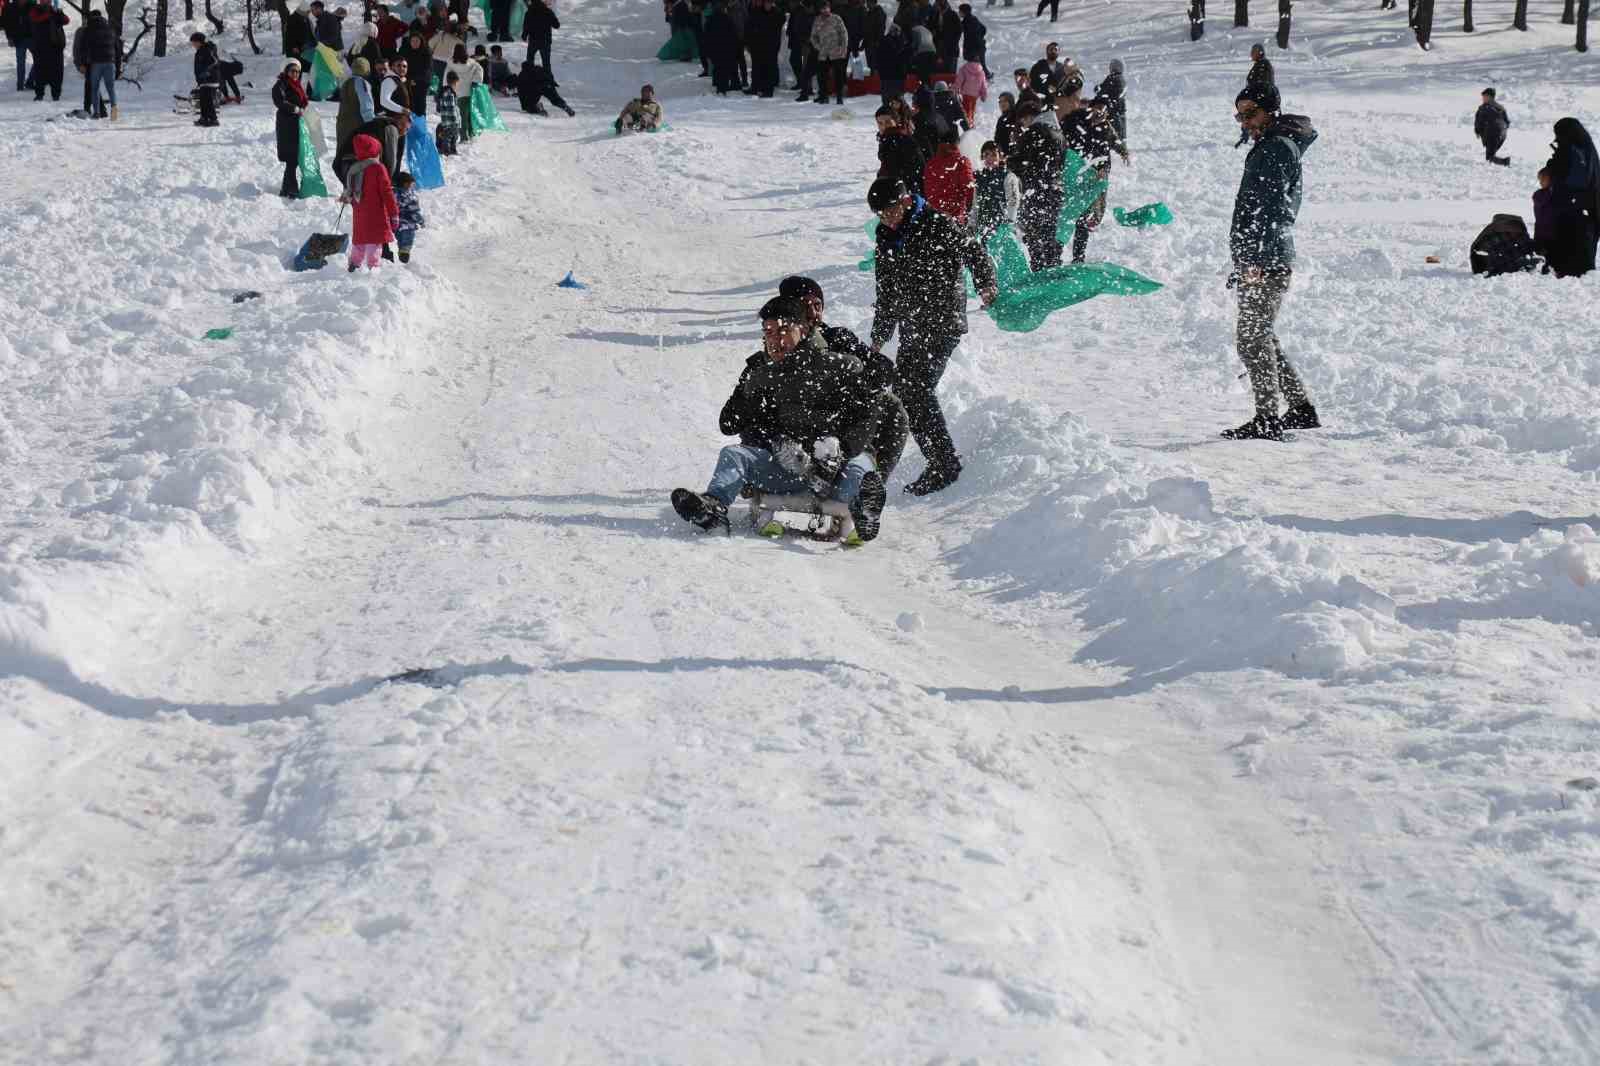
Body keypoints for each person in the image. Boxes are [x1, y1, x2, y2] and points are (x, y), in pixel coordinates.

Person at [671, 296, 889, 542]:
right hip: (791, 474)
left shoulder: (840, 366)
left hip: (840, 471)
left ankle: (864, 510)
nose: (775, 339)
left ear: (803, 329)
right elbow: (730, 424)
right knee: (733, 455)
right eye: (768, 332)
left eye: (783, 330)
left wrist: (843, 449)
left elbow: (867, 413)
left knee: (861, 468)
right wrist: (774, 436)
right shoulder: (763, 375)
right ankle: (712, 509)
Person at [867, 176, 998, 495]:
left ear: (906, 201)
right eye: (881, 214)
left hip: (943, 319)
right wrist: (879, 334)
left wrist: (985, 284)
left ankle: (944, 464)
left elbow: (974, 250)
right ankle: (936, 460)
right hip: (914, 322)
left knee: (916, 389)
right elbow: (886, 289)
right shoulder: (886, 236)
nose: (887, 219)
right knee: (904, 391)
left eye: (890, 211)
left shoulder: (937, 223)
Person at [1226, 82, 1320, 441]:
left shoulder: (1276, 148)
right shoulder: (1270, 146)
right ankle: (1300, 409)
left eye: (1251, 113)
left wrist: (1255, 257)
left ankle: (1267, 418)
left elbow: (1273, 208)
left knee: (1251, 338)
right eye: (1240, 115)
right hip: (1261, 255)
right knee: (1261, 334)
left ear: (1271, 110)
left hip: (1266, 257)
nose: (1246, 122)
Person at [779, 274, 911, 482]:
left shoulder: (837, 338)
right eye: (805, 305)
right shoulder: (777, 342)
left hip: (838, 419)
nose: (814, 313)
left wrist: (852, 378)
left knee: (891, 406)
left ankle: (873, 486)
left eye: (818, 305)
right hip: (798, 423)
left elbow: (883, 369)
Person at [1057, 77, 1128, 262]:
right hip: (1073, 175)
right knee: (1066, 213)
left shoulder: (1105, 127)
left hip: (1092, 177)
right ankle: (1054, 252)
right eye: (1097, 109)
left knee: (1087, 216)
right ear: (1091, 108)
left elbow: (1111, 144)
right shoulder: (1075, 120)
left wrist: (1122, 153)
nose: (1100, 113)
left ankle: (1078, 257)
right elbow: (1060, 137)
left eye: (1104, 111)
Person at [1005, 98, 1063, 269]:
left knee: (1033, 236)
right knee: (1049, 235)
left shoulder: (1035, 131)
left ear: (1030, 116)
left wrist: (1009, 162)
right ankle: (1053, 272)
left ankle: (1039, 273)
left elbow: (1020, 161)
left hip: (1036, 191)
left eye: (1023, 120)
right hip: (1055, 190)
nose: (1023, 125)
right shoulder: (1059, 132)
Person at [1541, 117, 1599, 278]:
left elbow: (1572, 180)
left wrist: (1552, 168)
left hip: (1572, 211)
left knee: (1568, 261)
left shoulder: (1572, 150)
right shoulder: (1587, 148)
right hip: (1587, 211)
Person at [341, 134, 399, 271]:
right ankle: (374, 269)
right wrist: (394, 213)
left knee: (360, 242)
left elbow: (350, 190)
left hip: (359, 214)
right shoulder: (378, 168)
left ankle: (354, 265)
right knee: (374, 243)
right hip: (376, 214)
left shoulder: (354, 169)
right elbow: (387, 193)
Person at [922, 127, 974, 224]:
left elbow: (927, 191)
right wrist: (967, 214)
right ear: (957, 143)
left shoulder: (930, 164)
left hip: (935, 217)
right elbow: (970, 188)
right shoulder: (961, 162)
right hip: (956, 218)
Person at [971, 139, 1020, 242]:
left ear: (1000, 157)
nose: (990, 158)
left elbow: (1013, 202)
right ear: (982, 157)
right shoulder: (978, 177)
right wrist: (972, 223)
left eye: (993, 155)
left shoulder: (1008, 176)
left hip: (1001, 228)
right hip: (983, 228)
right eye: (986, 155)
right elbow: (975, 203)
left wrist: (1009, 223)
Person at [273, 60, 308, 197]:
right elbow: (279, 101)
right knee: (291, 157)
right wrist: (294, 108)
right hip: (286, 124)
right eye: (293, 71)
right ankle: (292, 188)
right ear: (286, 71)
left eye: (298, 72)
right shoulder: (281, 84)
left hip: (296, 123)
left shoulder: (297, 85)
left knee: (293, 158)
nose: (295, 74)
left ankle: (285, 188)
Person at [876, 103, 926, 193]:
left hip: (904, 193)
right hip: (893, 190)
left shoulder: (904, 140)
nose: (884, 126)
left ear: (896, 121)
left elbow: (917, 171)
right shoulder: (885, 139)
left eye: (888, 122)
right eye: (880, 123)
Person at [808, 0, 848, 105]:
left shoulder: (836, 18)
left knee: (838, 76)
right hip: (823, 54)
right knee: (822, 76)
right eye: (822, 8)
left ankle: (839, 96)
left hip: (836, 53)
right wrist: (818, 47)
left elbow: (844, 34)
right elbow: (813, 36)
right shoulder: (817, 20)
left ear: (829, 8)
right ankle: (823, 96)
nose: (824, 10)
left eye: (826, 8)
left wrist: (843, 48)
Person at [79, 9, 116, 119]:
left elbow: (83, 47)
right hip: (110, 62)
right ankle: (114, 111)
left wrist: (82, 63)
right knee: (111, 88)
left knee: (95, 88)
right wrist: (118, 66)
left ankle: (97, 113)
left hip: (96, 63)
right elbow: (117, 48)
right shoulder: (110, 29)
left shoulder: (88, 30)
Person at [27, 2, 66, 103]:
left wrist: (59, 14)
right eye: (44, 0)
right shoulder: (35, 10)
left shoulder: (54, 11)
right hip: (40, 47)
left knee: (57, 73)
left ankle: (56, 94)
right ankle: (39, 94)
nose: (47, 2)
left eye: (48, 1)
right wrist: (48, 15)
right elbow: (35, 19)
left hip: (56, 47)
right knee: (40, 72)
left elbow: (66, 20)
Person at [745, 0, 783, 98]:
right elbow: (750, 26)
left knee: (769, 68)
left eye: (769, 3)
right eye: (766, 3)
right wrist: (749, 42)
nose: (767, 5)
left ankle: (768, 90)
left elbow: (780, 23)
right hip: (758, 45)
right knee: (757, 67)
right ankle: (755, 87)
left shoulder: (777, 13)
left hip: (771, 46)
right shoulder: (757, 12)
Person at [705, 0, 741, 94]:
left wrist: (708, 50)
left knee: (718, 68)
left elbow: (706, 36)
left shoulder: (710, 20)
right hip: (726, 48)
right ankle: (729, 85)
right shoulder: (727, 19)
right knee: (727, 67)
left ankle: (720, 86)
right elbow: (733, 34)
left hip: (715, 49)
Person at [447, 42, 481, 139]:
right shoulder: (472, 63)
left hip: (456, 90)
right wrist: (475, 81)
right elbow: (480, 71)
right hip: (468, 90)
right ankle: (471, 132)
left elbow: (446, 75)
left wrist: (446, 87)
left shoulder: (451, 63)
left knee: (460, 115)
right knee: (469, 113)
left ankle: (463, 135)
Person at [189, 31, 221, 125]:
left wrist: (206, 72)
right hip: (204, 80)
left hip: (210, 79)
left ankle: (213, 119)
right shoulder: (201, 50)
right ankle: (204, 118)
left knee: (207, 100)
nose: (193, 45)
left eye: (194, 42)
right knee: (203, 100)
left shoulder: (206, 50)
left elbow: (214, 61)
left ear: (199, 42)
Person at [1092, 58, 1125, 143]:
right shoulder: (1120, 78)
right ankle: (1121, 145)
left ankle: (1116, 145)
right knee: (1120, 131)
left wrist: (1099, 91)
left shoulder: (1113, 78)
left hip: (1112, 109)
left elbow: (1102, 90)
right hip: (1118, 109)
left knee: (1113, 131)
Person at [1474, 88, 1511, 167]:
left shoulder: (1484, 108)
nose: (1483, 98)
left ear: (1489, 97)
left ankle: (1505, 162)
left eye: (1484, 96)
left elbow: (1479, 121)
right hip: (1502, 134)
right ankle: (1503, 162)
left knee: (1489, 157)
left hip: (1492, 134)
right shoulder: (1501, 107)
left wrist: (1477, 131)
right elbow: (1507, 122)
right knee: (1491, 155)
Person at [394, 171, 425, 263]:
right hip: (408, 225)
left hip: (396, 224)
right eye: (411, 184)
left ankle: (402, 253)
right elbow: (414, 212)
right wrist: (421, 221)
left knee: (401, 239)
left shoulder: (393, 193)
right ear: (405, 184)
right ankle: (404, 255)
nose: (412, 185)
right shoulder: (409, 196)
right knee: (407, 242)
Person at [522, 0, 560, 74]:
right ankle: (549, 81)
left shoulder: (529, 12)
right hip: (545, 41)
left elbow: (526, 26)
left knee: (530, 61)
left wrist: (524, 35)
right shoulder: (547, 11)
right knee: (546, 63)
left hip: (533, 40)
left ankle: (529, 78)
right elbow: (556, 25)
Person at [873, 23, 907, 105]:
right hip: (897, 73)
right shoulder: (900, 42)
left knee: (886, 92)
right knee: (897, 92)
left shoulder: (883, 40)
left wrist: (877, 68)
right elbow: (901, 56)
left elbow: (878, 56)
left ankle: (886, 107)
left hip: (885, 72)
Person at [401, 31, 432, 114]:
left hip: (422, 82)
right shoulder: (405, 51)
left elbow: (427, 69)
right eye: (413, 41)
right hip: (408, 81)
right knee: (410, 104)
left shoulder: (426, 52)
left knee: (420, 105)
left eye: (417, 41)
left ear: (421, 41)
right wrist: (408, 79)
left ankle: (421, 122)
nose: (414, 43)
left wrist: (415, 79)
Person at [786, 0, 813, 95]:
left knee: (802, 63)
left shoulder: (801, 11)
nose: (790, 4)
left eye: (791, 2)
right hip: (796, 40)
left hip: (801, 40)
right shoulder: (795, 11)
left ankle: (805, 85)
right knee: (795, 61)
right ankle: (801, 82)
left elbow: (801, 26)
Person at [3, 0, 30, 93]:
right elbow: (6, 23)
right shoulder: (10, 7)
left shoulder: (31, 6)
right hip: (19, 39)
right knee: (20, 63)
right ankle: (20, 85)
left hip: (31, 37)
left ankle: (30, 81)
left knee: (40, 59)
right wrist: (9, 37)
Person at [1532, 168, 1556, 265]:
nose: (1541, 182)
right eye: (1540, 179)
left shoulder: (1553, 193)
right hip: (1541, 231)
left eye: (1543, 179)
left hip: (1550, 232)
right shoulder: (1540, 194)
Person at [953, 54, 985, 126]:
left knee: (966, 109)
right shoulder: (981, 71)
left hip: (966, 93)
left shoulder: (964, 68)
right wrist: (983, 95)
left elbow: (959, 81)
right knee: (972, 109)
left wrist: (954, 89)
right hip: (974, 95)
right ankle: (970, 123)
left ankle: (968, 124)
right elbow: (983, 85)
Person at [435, 71, 461, 154]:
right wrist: (455, 119)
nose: (457, 85)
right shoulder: (449, 93)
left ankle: (451, 149)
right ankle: (446, 150)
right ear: (454, 82)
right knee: (449, 136)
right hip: (451, 120)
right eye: (457, 83)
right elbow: (451, 107)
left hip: (447, 120)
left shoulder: (445, 91)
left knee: (452, 135)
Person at [992, 90, 1018, 154]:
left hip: (1015, 153)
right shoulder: (1001, 119)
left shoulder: (1016, 115)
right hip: (1004, 155)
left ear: (1011, 102)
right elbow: (997, 138)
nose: (1002, 103)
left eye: (1005, 101)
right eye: (1000, 102)